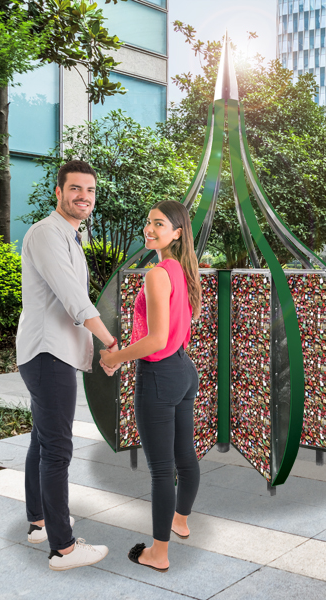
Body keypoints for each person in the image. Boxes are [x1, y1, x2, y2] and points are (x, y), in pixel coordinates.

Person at [16, 160, 119, 571]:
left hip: (51, 354)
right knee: (58, 449)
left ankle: (40, 523)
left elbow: (70, 302)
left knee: (42, 441)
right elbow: (75, 299)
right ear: (58, 192)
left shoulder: (69, 236)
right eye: (75, 189)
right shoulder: (47, 234)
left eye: (90, 191)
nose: (84, 197)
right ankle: (63, 547)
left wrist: (96, 353)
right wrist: (110, 343)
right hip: (47, 355)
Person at [100, 200, 202, 573]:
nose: (149, 229)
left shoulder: (157, 273)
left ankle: (158, 553)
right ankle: (181, 521)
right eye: (148, 222)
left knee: (162, 470)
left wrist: (114, 357)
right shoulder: (181, 270)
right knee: (184, 456)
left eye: (159, 224)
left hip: (159, 375)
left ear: (176, 233)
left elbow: (157, 339)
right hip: (183, 371)